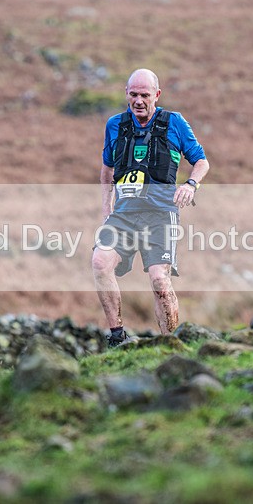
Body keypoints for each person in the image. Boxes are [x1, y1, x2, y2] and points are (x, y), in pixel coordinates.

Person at [92, 68, 210, 347]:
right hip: (123, 214)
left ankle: (171, 346)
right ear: (126, 94)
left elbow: (202, 162)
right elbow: (107, 170)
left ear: (157, 95)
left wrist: (190, 184)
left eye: (145, 95)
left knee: (159, 280)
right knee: (99, 262)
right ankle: (117, 337)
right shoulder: (115, 125)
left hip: (160, 214)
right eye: (133, 94)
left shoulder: (175, 122)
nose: (139, 101)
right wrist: (106, 208)